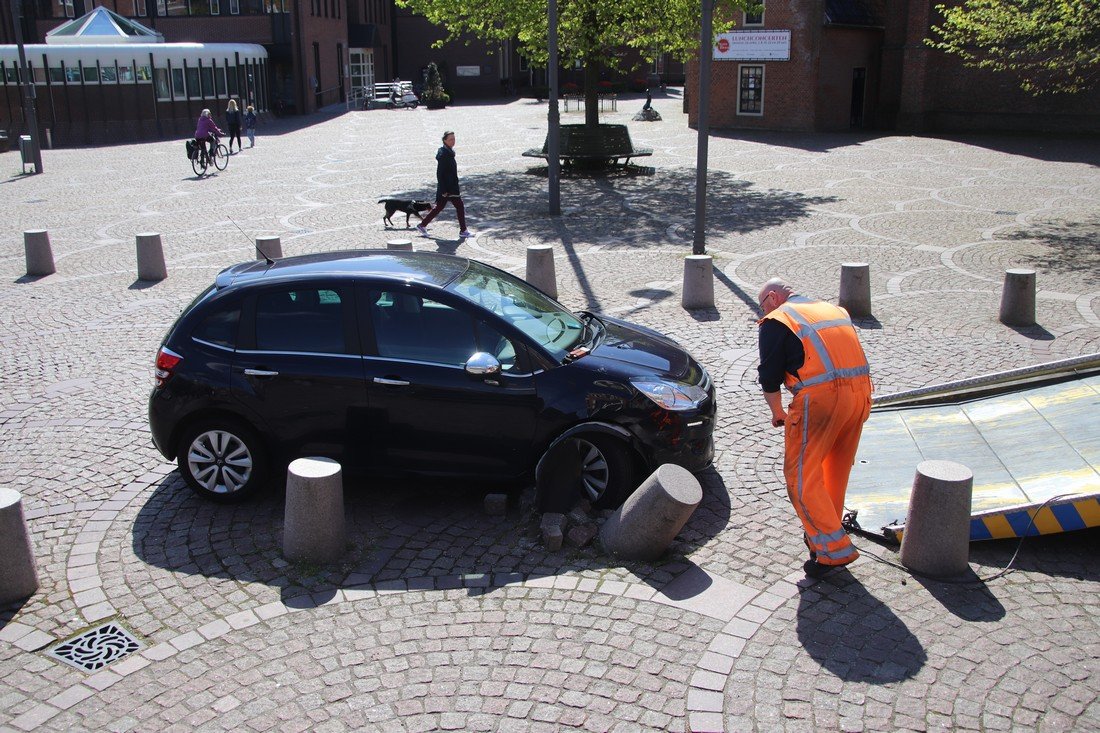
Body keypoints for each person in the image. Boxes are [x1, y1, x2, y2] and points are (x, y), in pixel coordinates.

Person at [757, 277, 872, 578]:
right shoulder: (834, 311)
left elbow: (768, 374)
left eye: (762, 305)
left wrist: (778, 411)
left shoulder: (777, 319)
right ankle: (824, 535)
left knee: (800, 476)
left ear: (771, 297)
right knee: (835, 470)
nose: (763, 311)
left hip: (820, 400)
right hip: (859, 396)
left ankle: (831, 551)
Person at [416, 131, 473, 238]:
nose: (453, 141)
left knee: (439, 207)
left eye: (454, 139)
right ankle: (463, 230)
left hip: (450, 187)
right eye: (451, 139)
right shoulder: (444, 155)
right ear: (445, 140)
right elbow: (440, 174)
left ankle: (422, 225)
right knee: (459, 206)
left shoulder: (449, 152)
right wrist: (443, 190)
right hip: (448, 188)